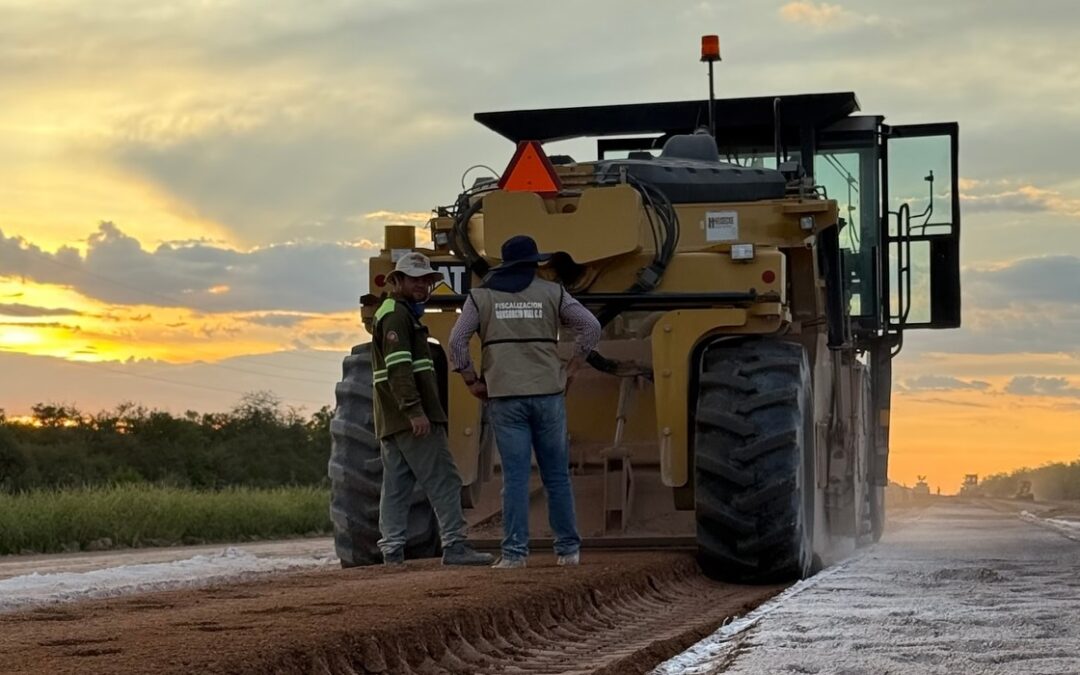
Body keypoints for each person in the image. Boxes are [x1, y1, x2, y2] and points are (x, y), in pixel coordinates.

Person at [448, 235, 601, 569]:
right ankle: (568, 550)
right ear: (534, 264)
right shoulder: (553, 293)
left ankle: (515, 554)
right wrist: (573, 367)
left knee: (515, 479)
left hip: (505, 397)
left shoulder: (480, 297)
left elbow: (457, 341)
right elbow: (590, 326)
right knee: (556, 476)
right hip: (549, 395)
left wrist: (471, 380)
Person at [371, 252, 493, 567]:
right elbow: (399, 369)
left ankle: (392, 551)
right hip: (410, 418)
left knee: (396, 485)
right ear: (397, 281)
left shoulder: (394, 313)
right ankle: (455, 546)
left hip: (392, 420)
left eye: (427, 281)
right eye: (415, 279)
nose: (422, 286)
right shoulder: (398, 316)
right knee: (445, 479)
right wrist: (414, 411)